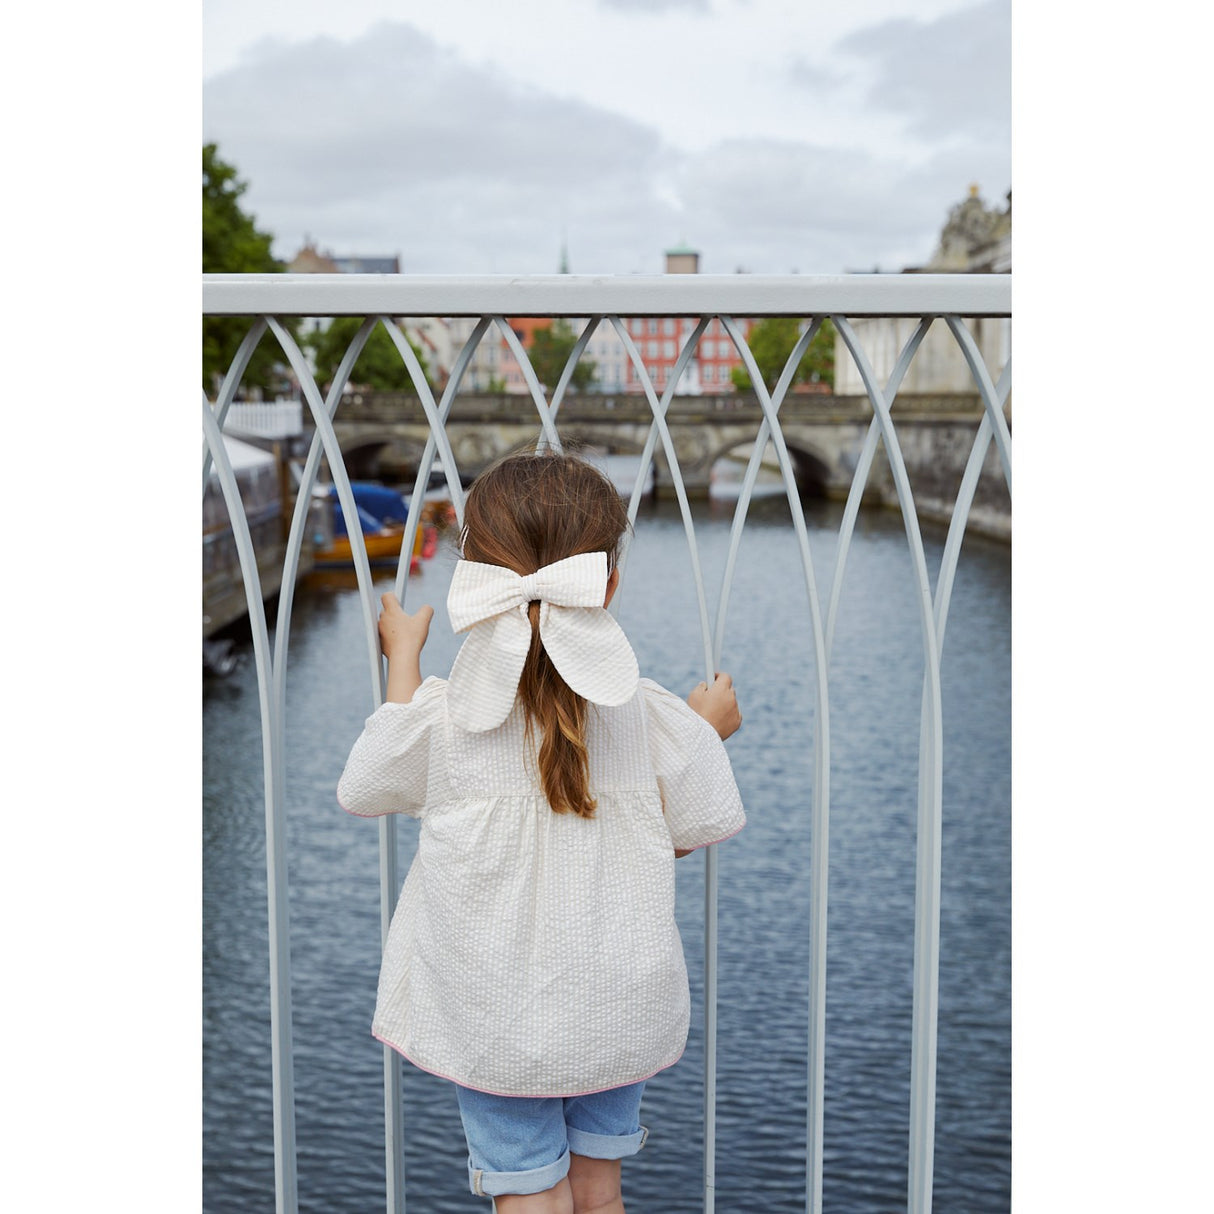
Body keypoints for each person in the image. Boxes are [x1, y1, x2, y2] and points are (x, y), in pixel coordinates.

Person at [337, 450, 745, 1213]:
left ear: (477, 584)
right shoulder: (647, 714)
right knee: (598, 1191)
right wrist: (705, 730)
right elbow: (678, 832)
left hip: (499, 1015)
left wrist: (402, 657)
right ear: (608, 584)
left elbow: (372, 779)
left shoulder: (450, 716)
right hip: (615, 1005)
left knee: (529, 1192)